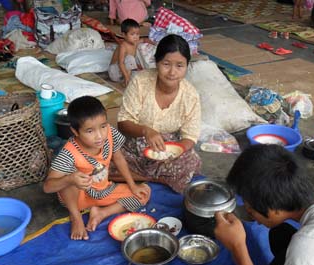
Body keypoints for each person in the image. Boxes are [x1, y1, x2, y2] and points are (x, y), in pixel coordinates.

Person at [43, 96, 151, 241]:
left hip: (102, 191)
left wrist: (132, 186)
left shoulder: (110, 134)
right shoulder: (69, 153)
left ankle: (101, 213)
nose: (99, 136)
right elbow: (48, 187)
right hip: (77, 199)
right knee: (70, 178)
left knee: (144, 192)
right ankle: (76, 218)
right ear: (75, 131)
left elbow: (118, 158)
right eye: (89, 131)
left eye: (103, 126)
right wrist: (70, 178)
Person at [112, 34, 202, 194]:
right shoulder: (140, 82)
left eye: (180, 66)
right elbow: (123, 123)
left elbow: (191, 135)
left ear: (187, 66)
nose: (172, 72)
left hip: (166, 149)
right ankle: (156, 177)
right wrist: (146, 131)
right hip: (134, 146)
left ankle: (141, 176)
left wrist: (176, 151)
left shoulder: (191, 95)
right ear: (156, 62)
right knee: (99, 162)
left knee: (191, 160)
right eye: (166, 64)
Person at [108, 18, 142, 86]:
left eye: (137, 34)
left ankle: (127, 78)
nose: (135, 37)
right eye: (132, 34)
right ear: (124, 35)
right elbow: (121, 63)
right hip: (115, 72)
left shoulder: (135, 42)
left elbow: (144, 40)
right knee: (130, 58)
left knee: (141, 73)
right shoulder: (123, 46)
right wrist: (126, 77)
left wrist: (154, 42)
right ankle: (126, 81)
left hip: (124, 72)